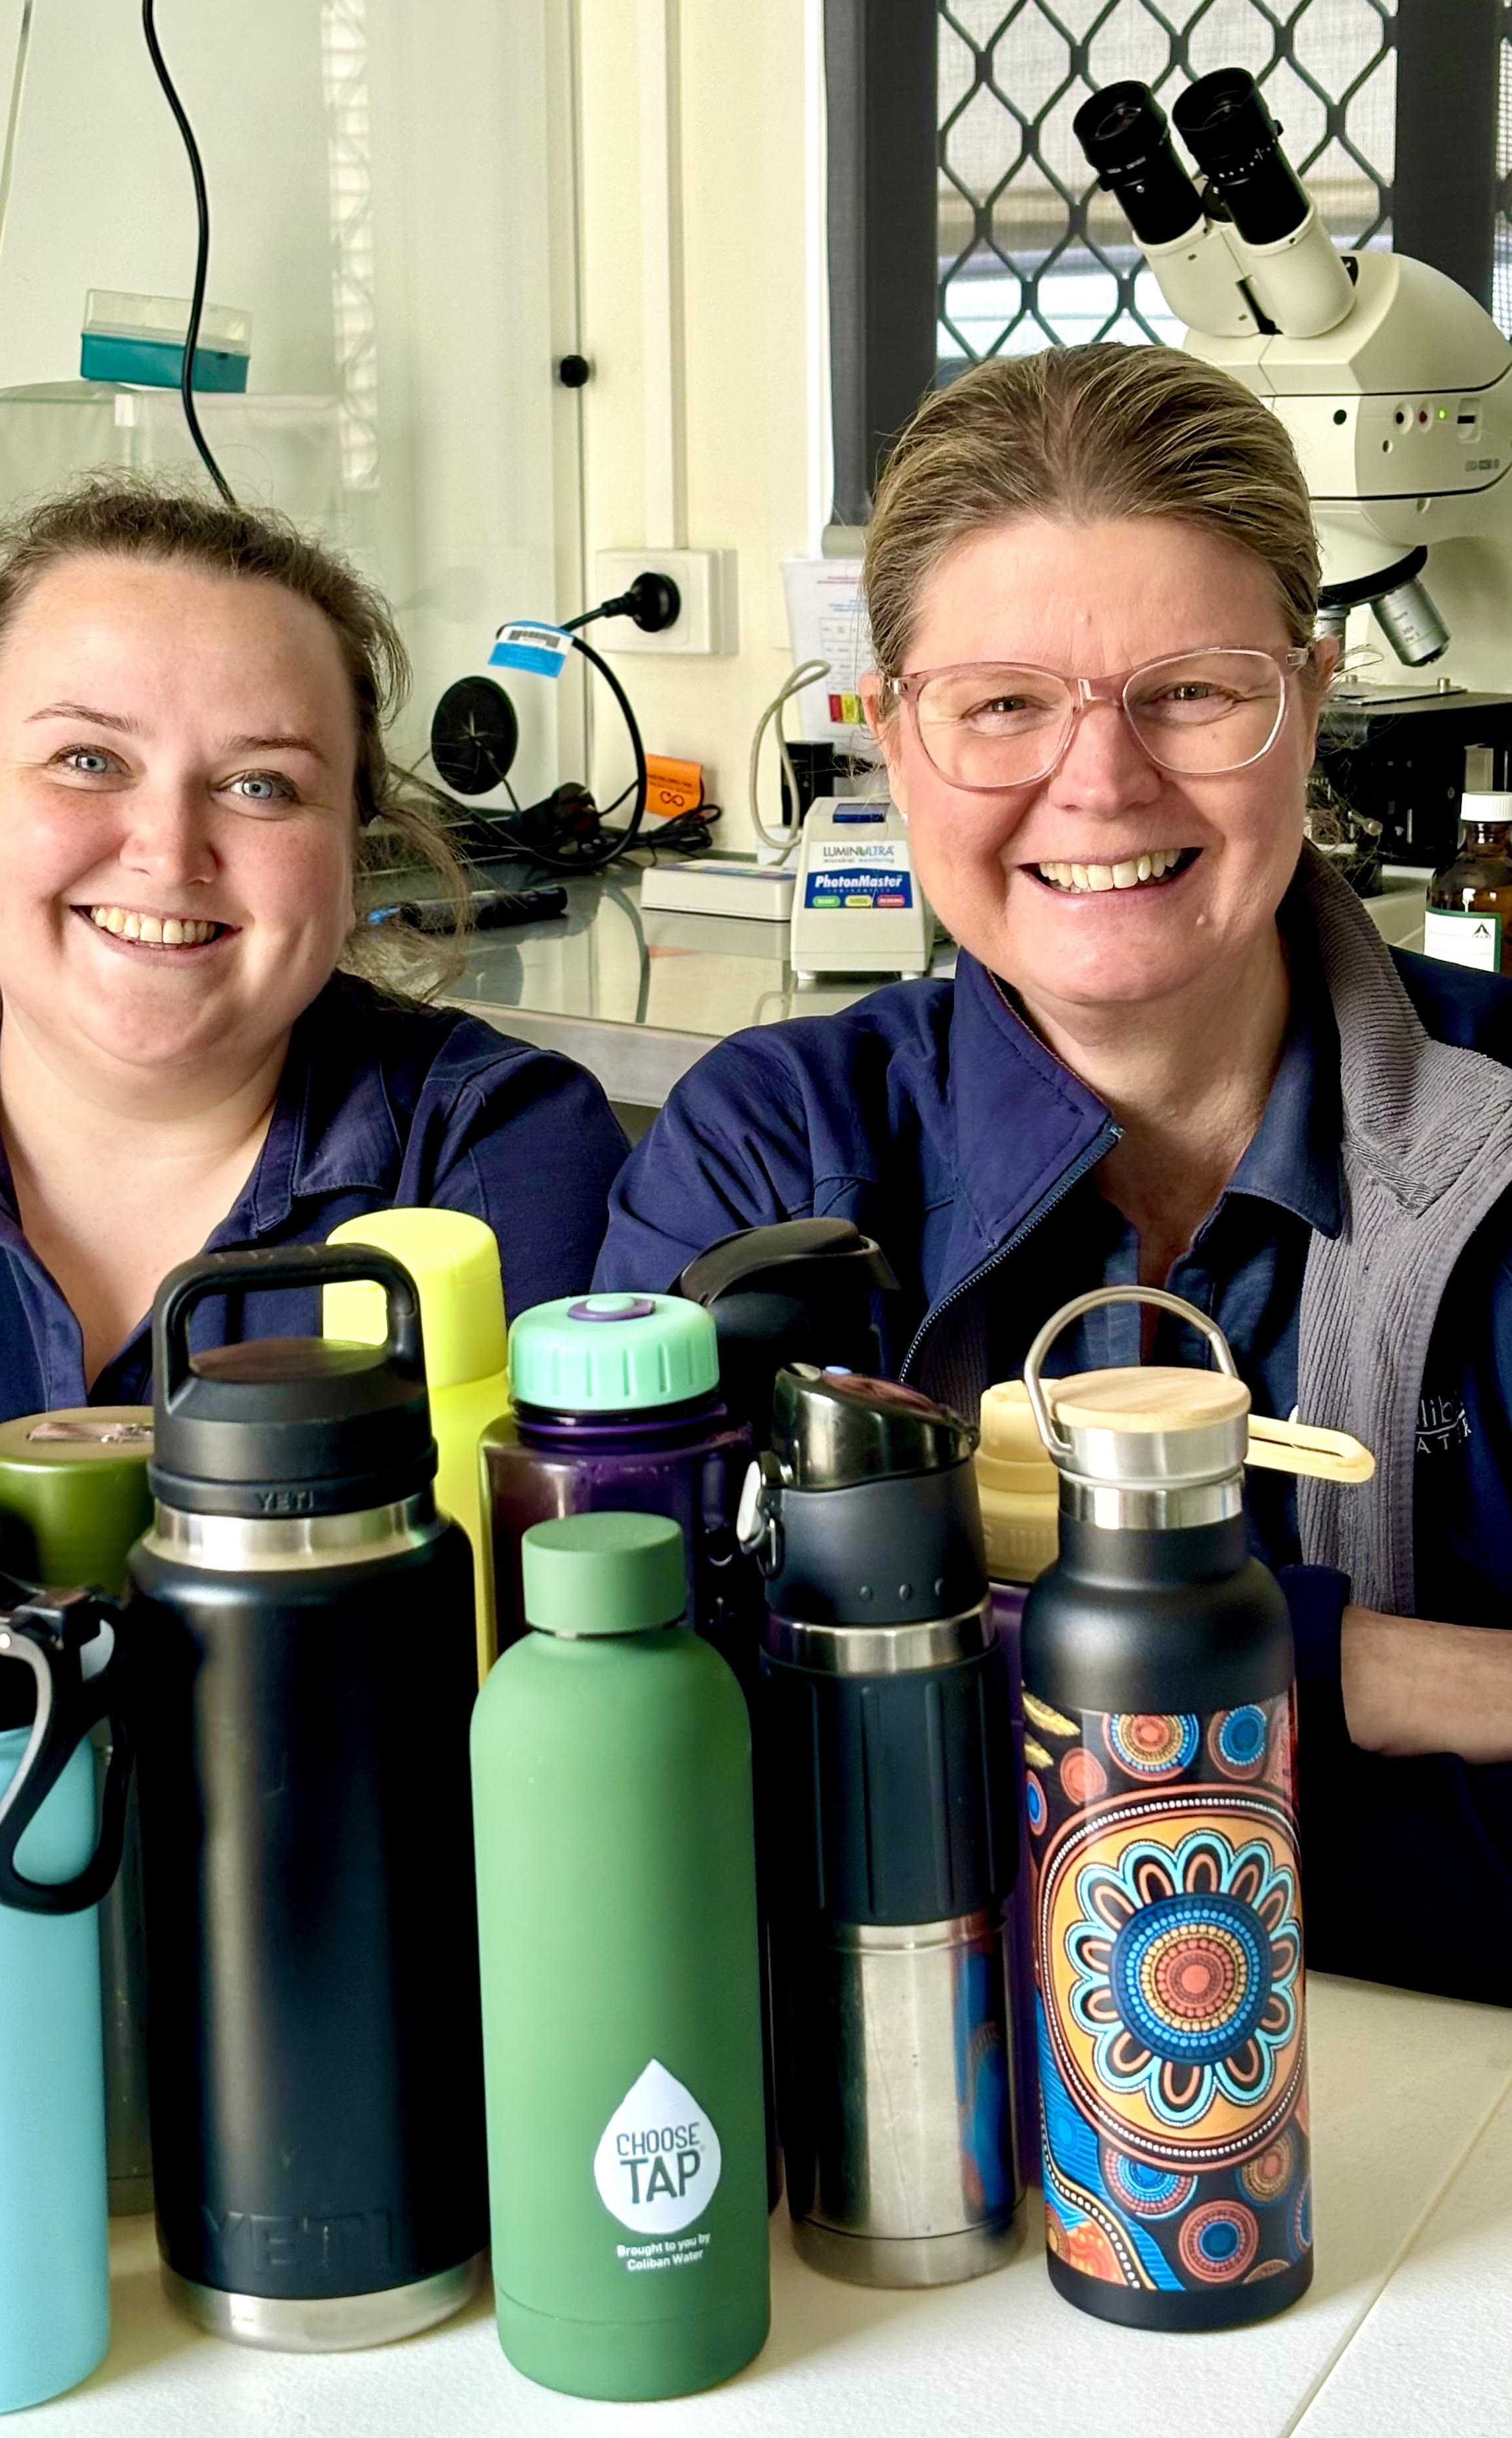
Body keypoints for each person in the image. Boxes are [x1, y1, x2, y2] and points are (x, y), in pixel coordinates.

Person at [597, 342, 1512, 2007]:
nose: (1098, 781)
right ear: (888, 730)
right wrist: (1359, 1665)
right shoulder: (772, 1149)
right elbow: (671, 1727)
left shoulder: (1508, 1138)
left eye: (1191, 690)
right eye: (1004, 702)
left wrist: (963, 1647)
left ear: (1308, 697)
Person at [0, 478, 626, 1493]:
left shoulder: (497, 1154)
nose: (169, 852)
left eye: (260, 784)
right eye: (87, 758)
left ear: (352, 854)